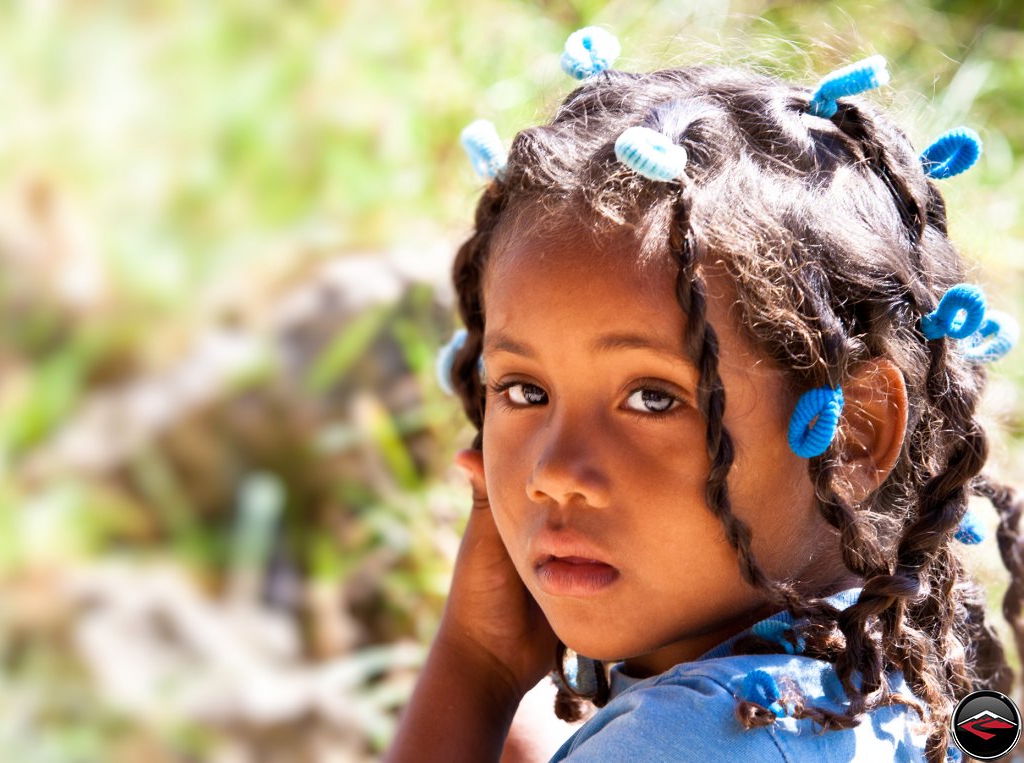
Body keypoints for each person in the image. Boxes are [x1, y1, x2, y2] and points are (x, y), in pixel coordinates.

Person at [386, 26, 1022, 763]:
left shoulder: (681, 743)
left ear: (851, 430)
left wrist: (475, 667)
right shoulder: (865, 681)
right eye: (525, 389)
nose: (553, 471)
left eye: (653, 399)